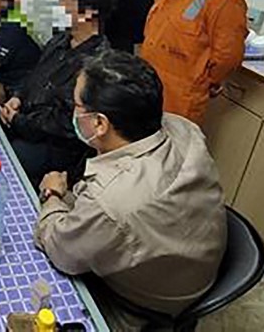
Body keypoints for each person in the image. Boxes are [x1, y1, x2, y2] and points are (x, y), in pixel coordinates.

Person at [34, 50, 226, 320]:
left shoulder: (109, 201)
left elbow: (61, 251)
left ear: (99, 123)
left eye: (76, 105)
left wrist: (52, 194)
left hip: (146, 305)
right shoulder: (185, 128)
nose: (72, 111)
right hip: (191, 265)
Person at [0, 0, 112, 187]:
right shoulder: (60, 40)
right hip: (25, 119)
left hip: (54, 146)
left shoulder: (98, 65)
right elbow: (34, 76)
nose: (60, 6)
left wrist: (18, 121)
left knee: (6, 160)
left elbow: (65, 124)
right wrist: (18, 97)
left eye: (66, 1)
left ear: (88, 12)